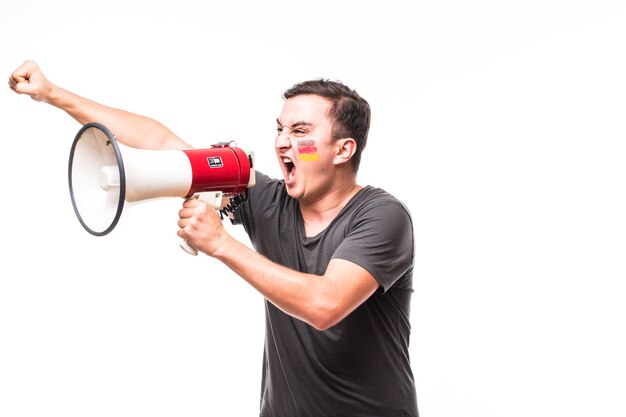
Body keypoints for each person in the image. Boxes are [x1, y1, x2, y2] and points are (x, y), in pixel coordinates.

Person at [9, 60, 419, 417]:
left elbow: (325, 304)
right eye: (279, 129)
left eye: (300, 131)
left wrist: (221, 243)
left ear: (343, 150)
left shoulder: (382, 217)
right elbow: (163, 145)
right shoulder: (269, 201)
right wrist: (53, 94)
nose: (281, 142)